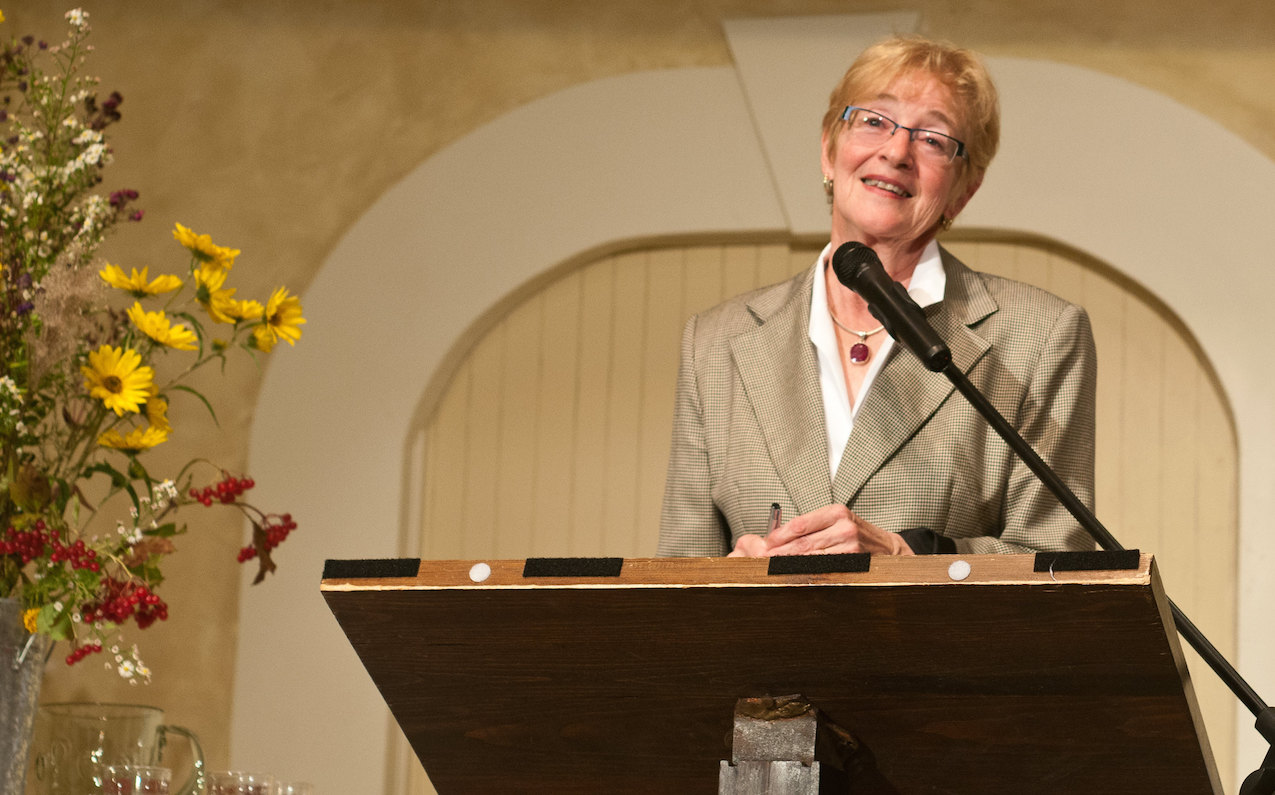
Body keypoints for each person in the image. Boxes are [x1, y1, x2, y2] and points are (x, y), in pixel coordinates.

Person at [656, 35, 1096, 558]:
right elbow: (679, 575)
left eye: (933, 139)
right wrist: (732, 583)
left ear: (964, 190)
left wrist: (906, 557)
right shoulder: (716, 341)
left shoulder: (1039, 337)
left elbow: (1057, 566)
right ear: (828, 148)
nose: (895, 151)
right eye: (872, 120)